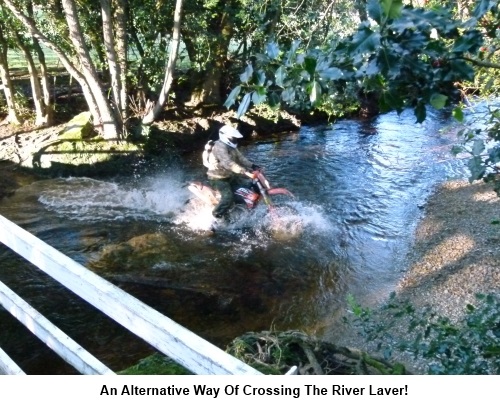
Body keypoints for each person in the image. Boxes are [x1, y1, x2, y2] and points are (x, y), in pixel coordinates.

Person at [204, 124, 260, 224]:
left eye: (235, 138)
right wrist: (246, 172)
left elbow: (241, 158)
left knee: (248, 185)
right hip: (217, 178)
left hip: (230, 176)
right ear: (226, 137)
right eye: (233, 138)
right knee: (228, 197)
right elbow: (229, 163)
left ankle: (242, 208)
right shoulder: (219, 147)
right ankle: (216, 216)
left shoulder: (231, 146)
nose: (235, 140)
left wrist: (253, 166)